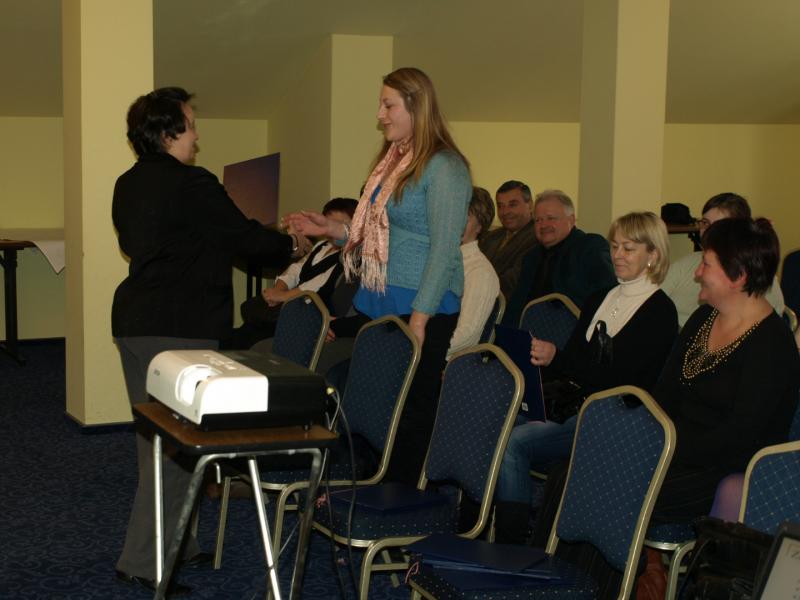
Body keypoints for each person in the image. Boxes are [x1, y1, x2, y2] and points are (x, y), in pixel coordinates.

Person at [111, 87, 306, 593]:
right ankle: (146, 563)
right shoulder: (193, 183)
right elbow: (243, 238)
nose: (196, 135)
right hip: (178, 326)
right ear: (169, 131)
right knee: (175, 449)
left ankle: (181, 541)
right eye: (191, 124)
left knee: (160, 442)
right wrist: (292, 244)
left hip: (136, 322)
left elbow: (153, 242)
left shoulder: (128, 183)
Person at [287, 67, 472, 485]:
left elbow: (444, 248)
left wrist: (421, 317)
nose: (380, 114)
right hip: (385, 296)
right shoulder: (395, 160)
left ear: (416, 106)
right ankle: (374, 483)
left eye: (388, 105)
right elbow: (377, 231)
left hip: (421, 303)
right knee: (380, 403)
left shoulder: (445, 167)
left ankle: (403, 495)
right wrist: (331, 229)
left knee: (410, 409)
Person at [493, 211, 678, 544]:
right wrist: (549, 356)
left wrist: (558, 357)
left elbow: (626, 383)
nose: (618, 255)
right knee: (497, 422)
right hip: (576, 404)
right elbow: (575, 363)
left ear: (653, 255)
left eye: (629, 248)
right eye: (614, 246)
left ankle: (511, 544)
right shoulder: (600, 298)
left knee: (514, 443)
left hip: (614, 418)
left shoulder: (660, 311)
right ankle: (491, 526)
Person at [652, 217, 800, 522]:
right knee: (577, 471)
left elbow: (740, 435)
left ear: (738, 277)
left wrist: (667, 451)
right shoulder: (703, 318)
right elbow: (664, 395)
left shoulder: (772, 344)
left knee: (618, 489)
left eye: (706, 265)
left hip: (725, 469)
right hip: (674, 453)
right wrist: (647, 442)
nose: (697, 273)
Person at [228, 197, 358, 349]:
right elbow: (295, 270)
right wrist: (278, 290)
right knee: (249, 323)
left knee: (256, 333)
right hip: (292, 301)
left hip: (309, 305)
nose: (332, 230)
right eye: (329, 223)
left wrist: (283, 296)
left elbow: (319, 284)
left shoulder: (348, 256)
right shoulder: (322, 245)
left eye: (339, 224)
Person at [662, 192, 784, 327]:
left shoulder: (759, 277)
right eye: (705, 223)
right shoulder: (686, 264)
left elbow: (769, 325)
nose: (707, 231)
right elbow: (655, 299)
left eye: (719, 226)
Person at [502, 189, 616, 326]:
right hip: (526, 332)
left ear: (571, 220)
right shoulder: (531, 257)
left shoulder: (590, 247)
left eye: (551, 218)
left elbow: (606, 297)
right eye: (538, 220)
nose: (543, 225)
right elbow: (516, 305)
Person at [447, 187, 500, 359]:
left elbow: (467, 336)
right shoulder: (438, 259)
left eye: (465, 217)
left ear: (480, 226)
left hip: (448, 361)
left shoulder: (480, 272)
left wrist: (419, 349)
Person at [478, 180, 538, 298]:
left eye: (513, 205)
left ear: (530, 205)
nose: (505, 212)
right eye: (500, 206)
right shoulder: (491, 237)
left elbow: (512, 282)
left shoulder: (537, 238)